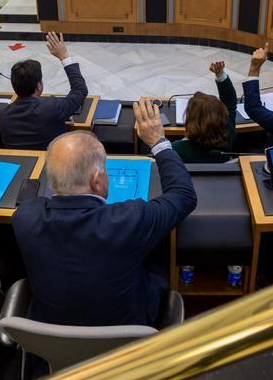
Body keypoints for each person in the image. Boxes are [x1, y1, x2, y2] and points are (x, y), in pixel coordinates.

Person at [12, 101, 197, 326]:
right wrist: (158, 143)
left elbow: (31, 204)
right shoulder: (129, 219)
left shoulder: (25, 218)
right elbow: (184, 195)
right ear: (97, 180)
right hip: (126, 342)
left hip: (50, 349)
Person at [0, 32, 88, 149]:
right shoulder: (52, 107)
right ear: (39, 86)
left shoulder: (0, 115)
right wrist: (64, 56)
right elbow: (80, 90)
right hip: (53, 163)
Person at [172, 62, 238, 163]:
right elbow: (230, 101)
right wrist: (220, 75)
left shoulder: (176, 149)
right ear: (222, 116)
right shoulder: (229, 135)